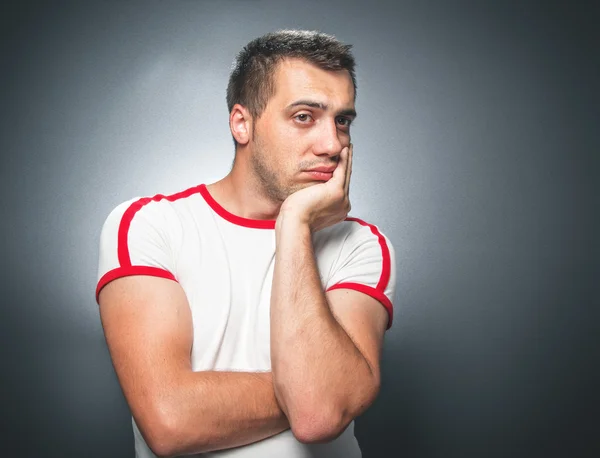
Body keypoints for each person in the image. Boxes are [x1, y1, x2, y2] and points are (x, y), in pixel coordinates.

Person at [96, 29, 397, 458]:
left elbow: (320, 417)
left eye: (342, 121)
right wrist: (312, 388)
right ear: (242, 123)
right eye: (304, 117)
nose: (332, 144)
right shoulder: (148, 226)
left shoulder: (361, 244)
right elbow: (169, 420)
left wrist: (294, 222)